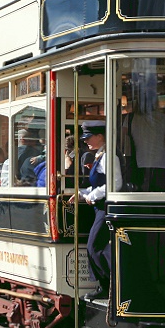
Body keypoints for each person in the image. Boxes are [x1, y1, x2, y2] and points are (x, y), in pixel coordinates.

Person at [70, 121, 119, 300]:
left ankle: (110, 286)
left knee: (94, 246)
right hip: (100, 207)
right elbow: (100, 185)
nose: (86, 141)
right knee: (97, 247)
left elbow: (115, 184)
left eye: (89, 137)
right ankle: (106, 285)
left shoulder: (108, 156)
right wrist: (83, 194)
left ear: (100, 136)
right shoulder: (100, 155)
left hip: (106, 207)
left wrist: (92, 196)